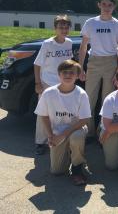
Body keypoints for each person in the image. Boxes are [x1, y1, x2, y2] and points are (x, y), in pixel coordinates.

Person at [34, 60, 91, 186]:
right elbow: (43, 115)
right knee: (57, 171)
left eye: (72, 73)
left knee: (76, 137)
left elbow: (84, 120)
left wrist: (63, 135)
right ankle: (67, 156)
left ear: (77, 76)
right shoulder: (48, 93)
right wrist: (50, 136)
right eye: (64, 72)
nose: (68, 75)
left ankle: (77, 167)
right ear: (59, 74)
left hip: (75, 129)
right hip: (56, 133)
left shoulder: (81, 94)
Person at [78, 0, 118, 138]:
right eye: (104, 4)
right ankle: (89, 132)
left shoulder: (117, 24)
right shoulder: (91, 23)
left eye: (110, 5)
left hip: (111, 62)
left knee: (107, 100)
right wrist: (80, 67)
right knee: (89, 98)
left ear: (114, 7)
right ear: (99, 5)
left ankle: (103, 131)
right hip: (94, 62)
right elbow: (83, 46)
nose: (106, 7)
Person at [33, 14, 73, 155]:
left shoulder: (68, 42)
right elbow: (37, 64)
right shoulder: (48, 44)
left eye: (66, 27)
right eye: (60, 27)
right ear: (55, 28)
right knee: (44, 113)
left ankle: (60, 138)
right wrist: (38, 83)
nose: (64, 29)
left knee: (60, 112)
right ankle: (40, 142)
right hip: (47, 83)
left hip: (63, 84)